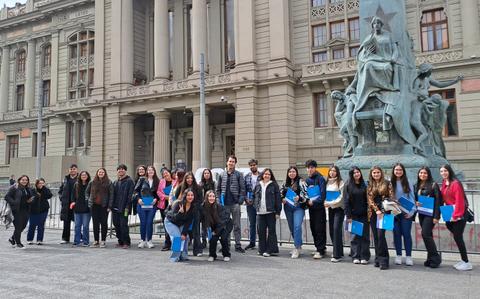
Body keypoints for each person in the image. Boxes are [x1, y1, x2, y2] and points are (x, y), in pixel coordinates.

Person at [440, 164, 473, 271]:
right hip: (450, 213)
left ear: (449, 171)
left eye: (445, 171)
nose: (443, 173)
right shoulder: (445, 183)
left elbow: (459, 200)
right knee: (456, 235)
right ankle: (463, 260)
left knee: (458, 237)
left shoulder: (456, 183)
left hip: (460, 214)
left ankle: (467, 262)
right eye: (441, 171)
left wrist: (456, 215)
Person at [216, 155, 246, 253]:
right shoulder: (221, 175)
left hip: (235, 204)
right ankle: (226, 245)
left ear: (235, 163)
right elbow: (218, 189)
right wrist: (219, 201)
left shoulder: (239, 175)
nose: (231, 163)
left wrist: (240, 201)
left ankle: (238, 245)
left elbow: (243, 189)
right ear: (227, 162)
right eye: (230, 161)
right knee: (225, 225)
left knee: (236, 225)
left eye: (233, 162)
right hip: (224, 205)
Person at [367, 166, 395, 270]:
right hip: (374, 213)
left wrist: (382, 210)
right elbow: (369, 199)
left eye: (378, 172)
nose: (376, 174)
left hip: (385, 212)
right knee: (376, 236)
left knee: (381, 236)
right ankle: (378, 258)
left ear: (381, 173)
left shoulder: (387, 183)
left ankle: (384, 260)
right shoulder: (370, 184)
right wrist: (376, 210)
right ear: (371, 174)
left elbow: (391, 197)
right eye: (374, 173)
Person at [414, 166, 442, 268]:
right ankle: (430, 259)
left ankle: (436, 258)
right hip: (421, 214)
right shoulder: (417, 185)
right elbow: (415, 199)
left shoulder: (434, 185)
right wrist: (415, 202)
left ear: (428, 174)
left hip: (431, 215)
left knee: (425, 234)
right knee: (428, 234)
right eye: (421, 173)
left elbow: (438, 201)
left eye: (425, 173)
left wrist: (437, 216)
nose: (422, 175)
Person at [344, 166, 370, 265]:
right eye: (354, 173)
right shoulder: (348, 185)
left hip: (364, 214)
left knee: (365, 236)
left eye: (358, 172)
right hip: (353, 215)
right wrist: (348, 215)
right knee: (355, 236)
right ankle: (355, 256)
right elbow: (346, 202)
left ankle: (365, 256)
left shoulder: (365, 184)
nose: (356, 174)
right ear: (352, 175)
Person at [280, 166, 307, 259]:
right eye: (290, 172)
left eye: (293, 171)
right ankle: (298, 244)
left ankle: (297, 247)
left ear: (296, 172)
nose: (292, 173)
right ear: (288, 173)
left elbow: (306, 194)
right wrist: (282, 199)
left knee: (297, 226)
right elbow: (280, 193)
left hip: (298, 207)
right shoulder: (285, 183)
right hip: (288, 207)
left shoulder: (301, 181)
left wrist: (299, 198)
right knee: (292, 227)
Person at [391, 163, 415, 266]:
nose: (398, 172)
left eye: (400, 170)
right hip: (394, 212)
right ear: (393, 171)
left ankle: (408, 256)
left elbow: (412, 197)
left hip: (406, 213)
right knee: (396, 234)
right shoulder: (390, 183)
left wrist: (412, 212)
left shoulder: (408, 182)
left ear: (403, 171)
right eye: (396, 170)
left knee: (406, 234)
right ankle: (398, 255)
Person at [253, 168, 281, 257]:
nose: (267, 176)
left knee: (271, 231)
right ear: (262, 175)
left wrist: (278, 212)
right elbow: (255, 196)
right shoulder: (258, 184)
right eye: (265, 174)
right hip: (260, 212)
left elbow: (278, 199)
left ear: (271, 176)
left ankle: (270, 250)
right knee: (261, 231)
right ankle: (262, 249)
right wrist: (255, 205)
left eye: (269, 174)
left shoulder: (274, 185)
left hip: (271, 212)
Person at [175, 171, 204, 256]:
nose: (189, 180)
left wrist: (194, 206)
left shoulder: (198, 188)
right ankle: (181, 250)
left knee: (196, 230)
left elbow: (200, 200)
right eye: (187, 178)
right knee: (183, 230)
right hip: (184, 212)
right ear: (185, 179)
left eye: (191, 178)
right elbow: (177, 197)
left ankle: (197, 250)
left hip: (195, 211)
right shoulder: (181, 186)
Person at [164, 189, 196, 262]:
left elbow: (188, 221)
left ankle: (183, 256)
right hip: (170, 222)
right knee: (177, 237)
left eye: (192, 195)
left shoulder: (193, 207)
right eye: (188, 195)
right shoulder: (178, 204)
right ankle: (174, 257)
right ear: (185, 196)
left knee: (185, 237)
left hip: (181, 223)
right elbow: (173, 218)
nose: (190, 197)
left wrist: (184, 233)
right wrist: (179, 213)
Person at [304, 159, 327, 259]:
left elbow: (323, 195)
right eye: (308, 168)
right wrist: (307, 200)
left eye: (312, 167)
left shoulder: (320, 178)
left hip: (319, 208)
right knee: (313, 228)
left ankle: (321, 250)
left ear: (315, 168)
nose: (310, 169)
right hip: (311, 209)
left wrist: (314, 201)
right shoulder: (307, 180)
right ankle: (319, 247)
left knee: (319, 229)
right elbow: (305, 194)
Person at [5, 175, 34, 249]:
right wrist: (14, 202)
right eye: (23, 180)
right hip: (16, 210)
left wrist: (30, 200)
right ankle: (18, 243)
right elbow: (7, 196)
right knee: (18, 227)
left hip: (26, 210)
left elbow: (28, 197)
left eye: (26, 180)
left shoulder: (27, 189)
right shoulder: (15, 188)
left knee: (23, 226)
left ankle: (12, 238)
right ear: (19, 180)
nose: (24, 181)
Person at [134, 165, 160, 249]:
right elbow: (135, 191)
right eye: (149, 170)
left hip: (152, 204)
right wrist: (138, 199)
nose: (150, 171)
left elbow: (159, 192)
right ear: (147, 172)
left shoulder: (157, 181)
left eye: (152, 170)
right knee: (143, 222)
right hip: (142, 204)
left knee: (149, 222)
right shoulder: (142, 180)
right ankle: (142, 240)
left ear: (154, 171)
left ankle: (149, 240)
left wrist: (156, 199)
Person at [109, 164, 135, 249]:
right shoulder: (116, 182)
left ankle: (126, 242)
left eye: (123, 169)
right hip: (115, 208)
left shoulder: (129, 181)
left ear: (125, 171)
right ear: (117, 171)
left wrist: (127, 206)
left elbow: (130, 195)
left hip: (124, 208)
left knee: (124, 225)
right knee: (116, 224)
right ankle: (120, 241)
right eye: (119, 169)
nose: (121, 170)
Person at [203, 190, 232, 262]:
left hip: (226, 224)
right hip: (216, 226)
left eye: (213, 196)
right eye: (209, 196)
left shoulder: (219, 207)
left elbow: (222, 222)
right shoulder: (204, 207)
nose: (211, 198)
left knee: (223, 238)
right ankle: (212, 255)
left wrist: (215, 232)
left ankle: (226, 255)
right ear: (206, 197)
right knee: (213, 239)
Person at [87, 168, 113, 248]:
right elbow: (86, 192)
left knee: (104, 223)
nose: (101, 173)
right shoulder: (92, 182)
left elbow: (111, 195)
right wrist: (88, 200)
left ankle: (103, 241)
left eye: (102, 172)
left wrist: (109, 206)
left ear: (105, 173)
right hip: (94, 206)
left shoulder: (109, 182)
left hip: (104, 206)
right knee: (95, 224)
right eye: (99, 172)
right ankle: (96, 241)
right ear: (97, 173)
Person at [325, 165, 345, 262]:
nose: (332, 172)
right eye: (330, 171)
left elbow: (342, 198)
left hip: (339, 209)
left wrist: (330, 203)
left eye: (334, 171)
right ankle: (339, 251)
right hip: (330, 209)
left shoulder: (341, 183)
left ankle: (336, 255)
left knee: (337, 229)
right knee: (332, 231)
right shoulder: (327, 182)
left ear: (337, 172)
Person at [27, 178, 52, 245]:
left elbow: (49, 195)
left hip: (43, 209)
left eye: (42, 183)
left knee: (41, 225)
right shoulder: (32, 190)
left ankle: (39, 240)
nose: (41, 184)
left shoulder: (45, 189)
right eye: (39, 183)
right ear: (36, 184)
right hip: (33, 210)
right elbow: (30, 198)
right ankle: (30, 239)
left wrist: (43, 191)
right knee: (32, 224)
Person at [58, 164, 78, 244]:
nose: (72, 170)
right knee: (66, 221)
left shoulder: (79, 179)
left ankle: (79, 237)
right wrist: (61, 198)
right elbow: (60, 190)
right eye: (71, 169)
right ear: (69, 170)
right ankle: (65, 238)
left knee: (77, 222)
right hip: (66, 204)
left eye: (74, 169)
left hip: (76, 204)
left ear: (77, 170)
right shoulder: (65, 179)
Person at [70, 171, 91, 247]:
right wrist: (73, 202)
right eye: (82, 175)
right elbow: (72, 196)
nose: (84, 176)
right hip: (77, 209)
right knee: (77, 226)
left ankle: (86, 242)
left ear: (88, 176)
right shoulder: (76, 184)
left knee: (85, 226)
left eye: (85, 175)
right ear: (80, 176)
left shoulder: (90, 184)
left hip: (87, 209)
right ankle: (77, 241)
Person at [244, 159, 260, 251]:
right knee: (252, 224)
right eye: (251, 165)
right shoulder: (246, 176)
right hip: (249, 203)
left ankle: (262, 243)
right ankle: (252, 243)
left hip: (259, 203)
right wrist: (246, 199)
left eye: (254, 165)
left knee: (260, 224)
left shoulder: (262, 175)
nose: (252, 167)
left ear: (257, 165)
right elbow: (244, 190)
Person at [157, 168, 174, 251]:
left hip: (173, 205)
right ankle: (167, 243)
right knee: (166, 225)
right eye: (164, 174)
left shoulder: (175, 181)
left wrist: (171, 197)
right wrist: (165, 197)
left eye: (166, 173)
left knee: (173, 225)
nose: (165, 175)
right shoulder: (161, 181)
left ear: (170, 173)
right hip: (163, 205)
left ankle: (174, 243)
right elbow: (158, 192)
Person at [199, 168, 216, 248]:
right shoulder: (200, 184)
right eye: (205, 173)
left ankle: (212, 240)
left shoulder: (213, 183)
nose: (206, 174)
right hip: (203, 207)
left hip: (212, 206)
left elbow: (216, 194)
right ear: (203, 175)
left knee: (212, 224)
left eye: (208, 173)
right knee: (204, 225)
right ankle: (204, 241)